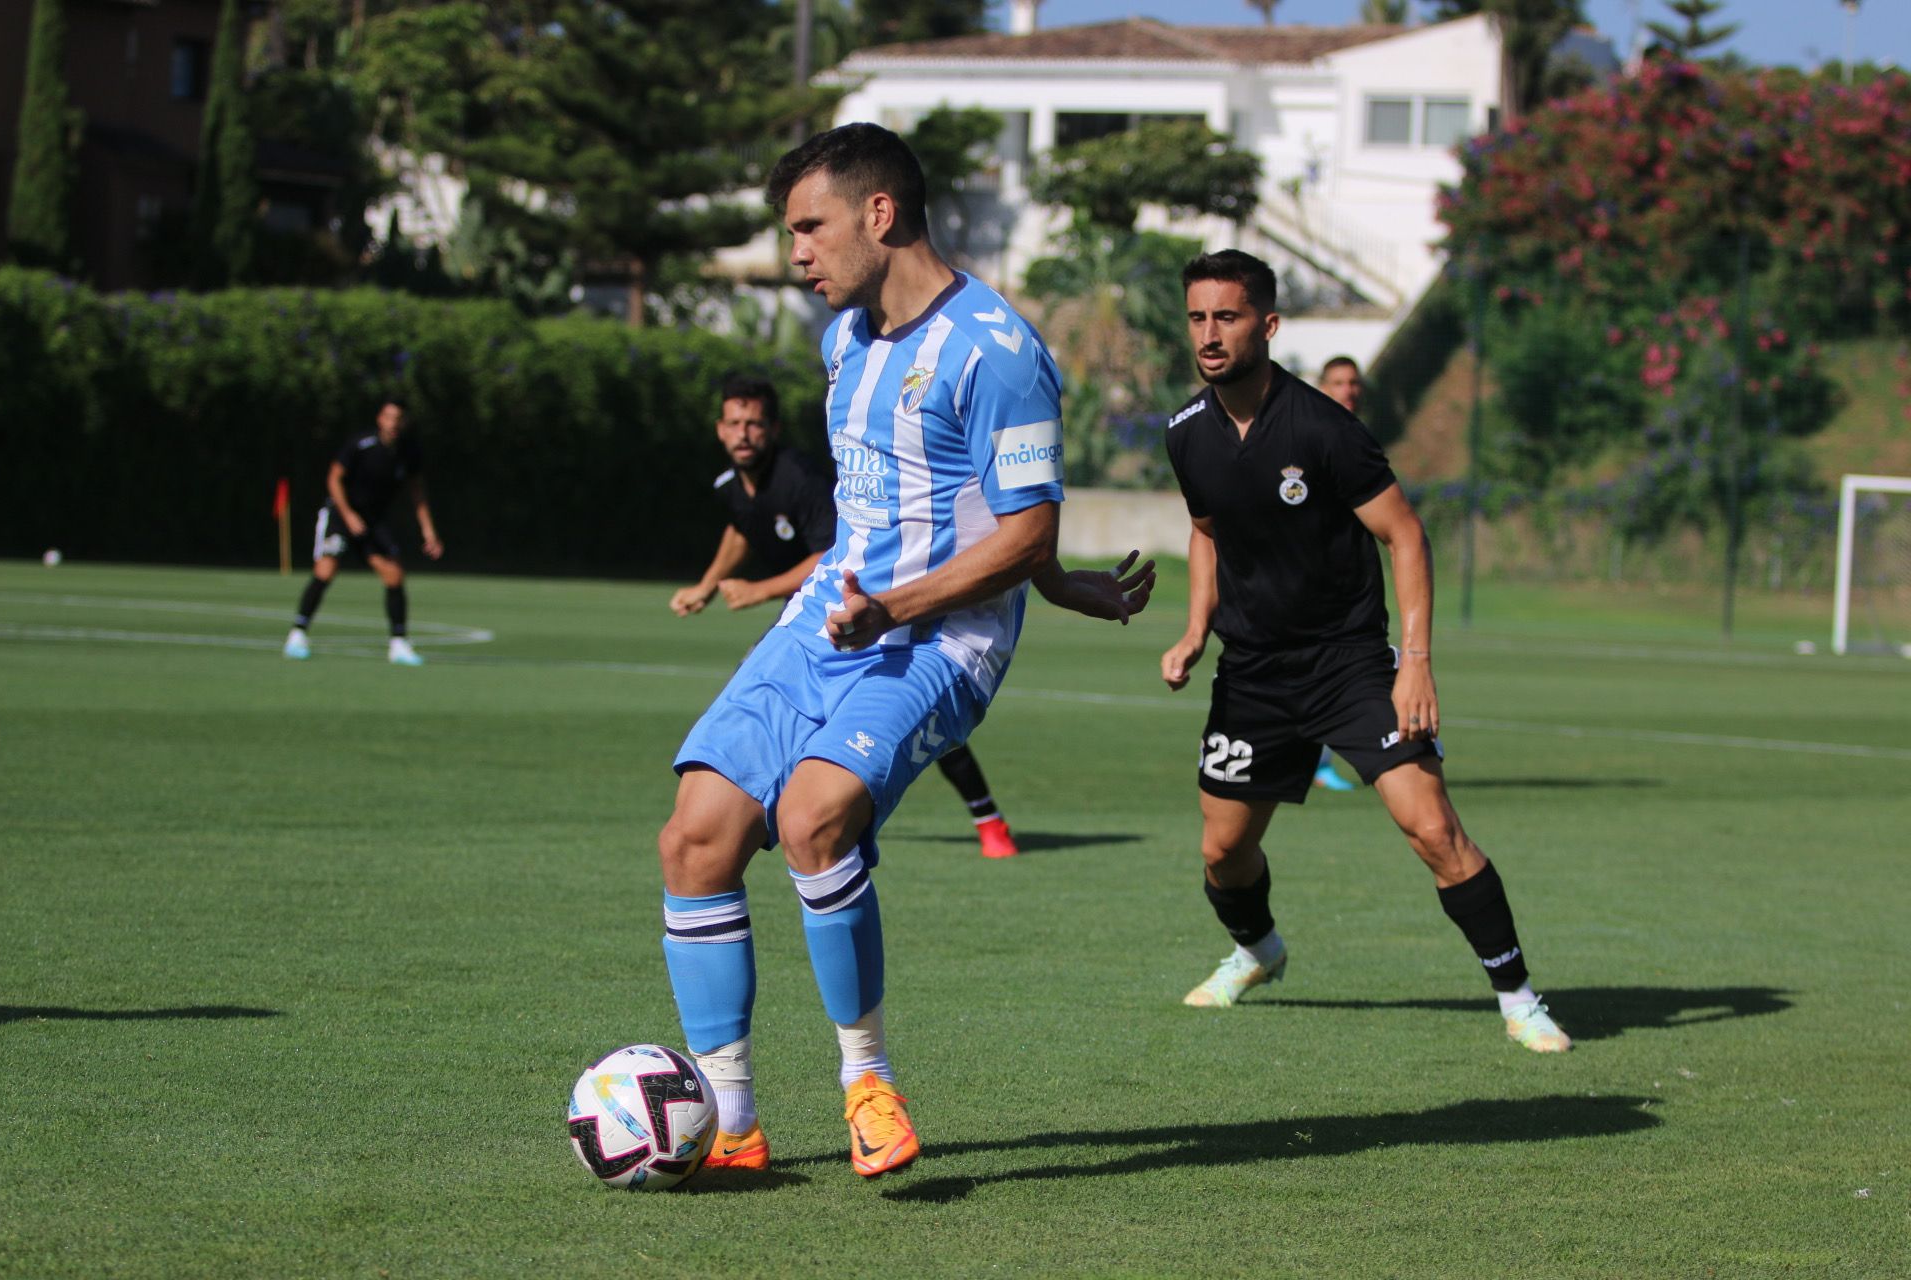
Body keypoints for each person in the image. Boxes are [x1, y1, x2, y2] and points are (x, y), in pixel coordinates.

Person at [655, 123, 1155, 1181]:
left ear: (879, 214)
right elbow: (908, 505)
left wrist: (925, 601)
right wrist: (870, 598)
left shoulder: (998, 352)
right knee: (695, 836)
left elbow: (1023, 528)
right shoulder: (844, 340)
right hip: (835, 615)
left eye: (810, 227)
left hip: (943, 634)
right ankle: (732, 1123)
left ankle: (868, 1082)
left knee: (813, 816)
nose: (796, 252)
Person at [1159, 250, 1569, 1053]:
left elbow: (1405, 536)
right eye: (1198, 317)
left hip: (1348, 665)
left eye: (1228, 317)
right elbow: (1206, 532)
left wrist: (1414, 662)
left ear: (1268, 326)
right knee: (1224, 851)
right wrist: (1195, 628)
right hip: (1253, 672)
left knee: (1432, 829)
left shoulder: (1324, 429)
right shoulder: (1186, 434)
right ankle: (1257, 950)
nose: (1209, 334)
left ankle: (1519, 998)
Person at [671, 372, 1026, 859]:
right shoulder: (730, 485)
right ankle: (784, 805)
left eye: (753, 424)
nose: (743, 434)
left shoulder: (799, 479)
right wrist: (707, 586)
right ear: (719, 430)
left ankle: (987, 819)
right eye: (733, 424)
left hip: (860, 602)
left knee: (907, 715)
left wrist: (757, 590)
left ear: (773, 430)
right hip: (805, 614)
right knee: (760, 692)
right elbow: (740, 530)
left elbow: (828, 553)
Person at [283, 399, 442, 665]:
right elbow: (334, 478)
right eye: (389, 417)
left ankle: (399, 644)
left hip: (372, 521)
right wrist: (347, 514)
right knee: (326, 569)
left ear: (404, 422)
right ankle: (297, 634)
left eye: (398, 418)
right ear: (380, 418)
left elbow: (417, 491)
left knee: (394, 575)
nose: (393, 423)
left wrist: (429, 531)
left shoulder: (409, 451)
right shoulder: (361, 444)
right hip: (341, 514)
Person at [1307, 355, 1368, 794]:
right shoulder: (1307, 437)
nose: (1348, 390)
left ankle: (1319, 760)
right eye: (1338, 382)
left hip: (1345, 581)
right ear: (1323, 388)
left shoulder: (1359, 437)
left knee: (1337, 670)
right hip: (1305, 578)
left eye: (1353, 382)